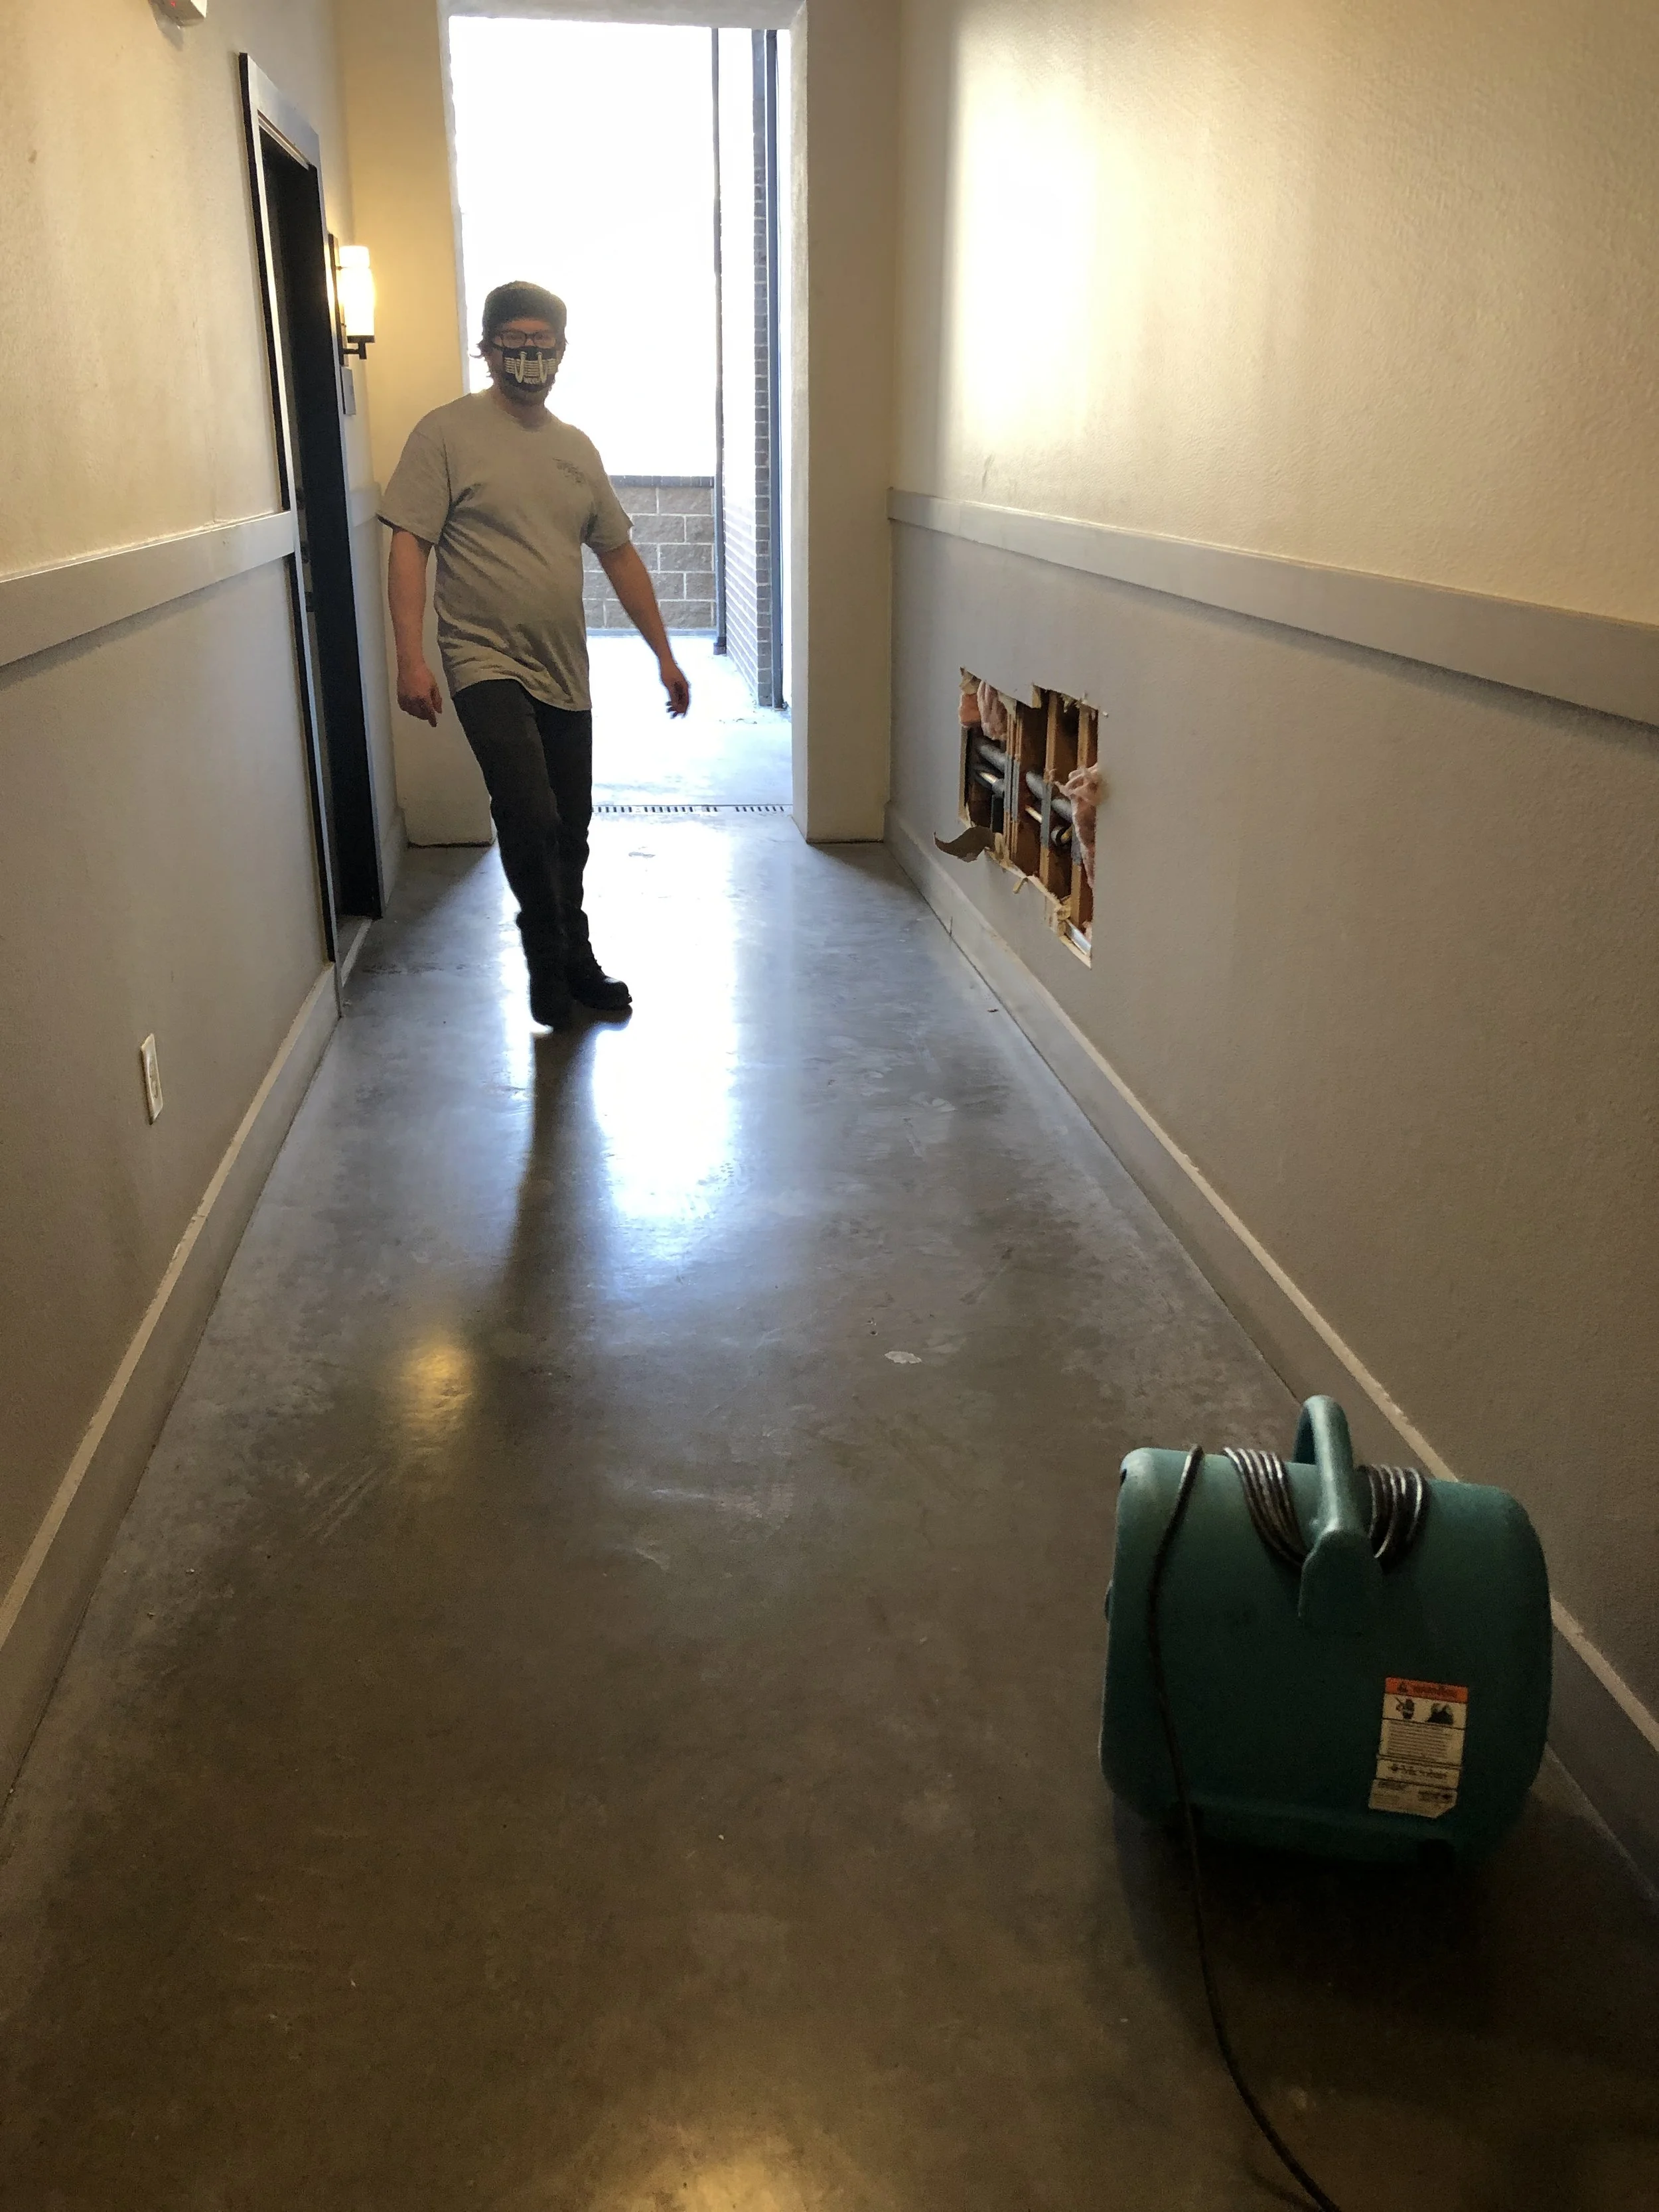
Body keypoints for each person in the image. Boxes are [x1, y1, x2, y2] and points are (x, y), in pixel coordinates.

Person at [380, 280, 690, 1031]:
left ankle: (575, 953)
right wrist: (411, 659)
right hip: (482, 659)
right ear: (486, 348)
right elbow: (409, 543)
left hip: (564, 669)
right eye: (514, 343)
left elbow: (619, 555)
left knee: (570, 825)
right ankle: (547, 961)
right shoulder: (445, 434)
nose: (529, 357)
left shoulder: (574, 450)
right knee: (527, 811)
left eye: (542, 345)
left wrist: (665, 655)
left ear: (561, 353)